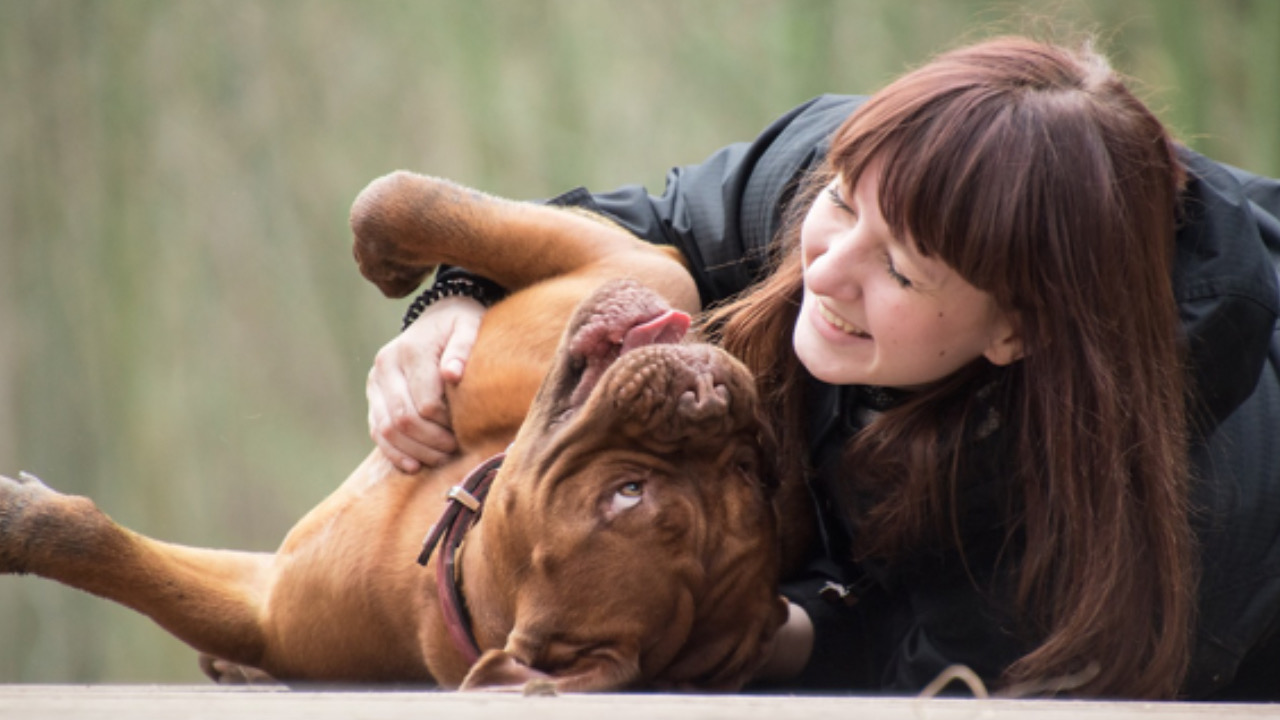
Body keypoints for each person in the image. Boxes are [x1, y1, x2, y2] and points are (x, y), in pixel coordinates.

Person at [365, 37, 1280, 699]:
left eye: (901, 270)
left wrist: (754, 639)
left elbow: (919, 661)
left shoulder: (1143, 529)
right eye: (843, 204)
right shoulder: (865, 169)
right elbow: (654, 227)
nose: (827, 268)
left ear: (1020, 332)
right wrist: (456, 296)